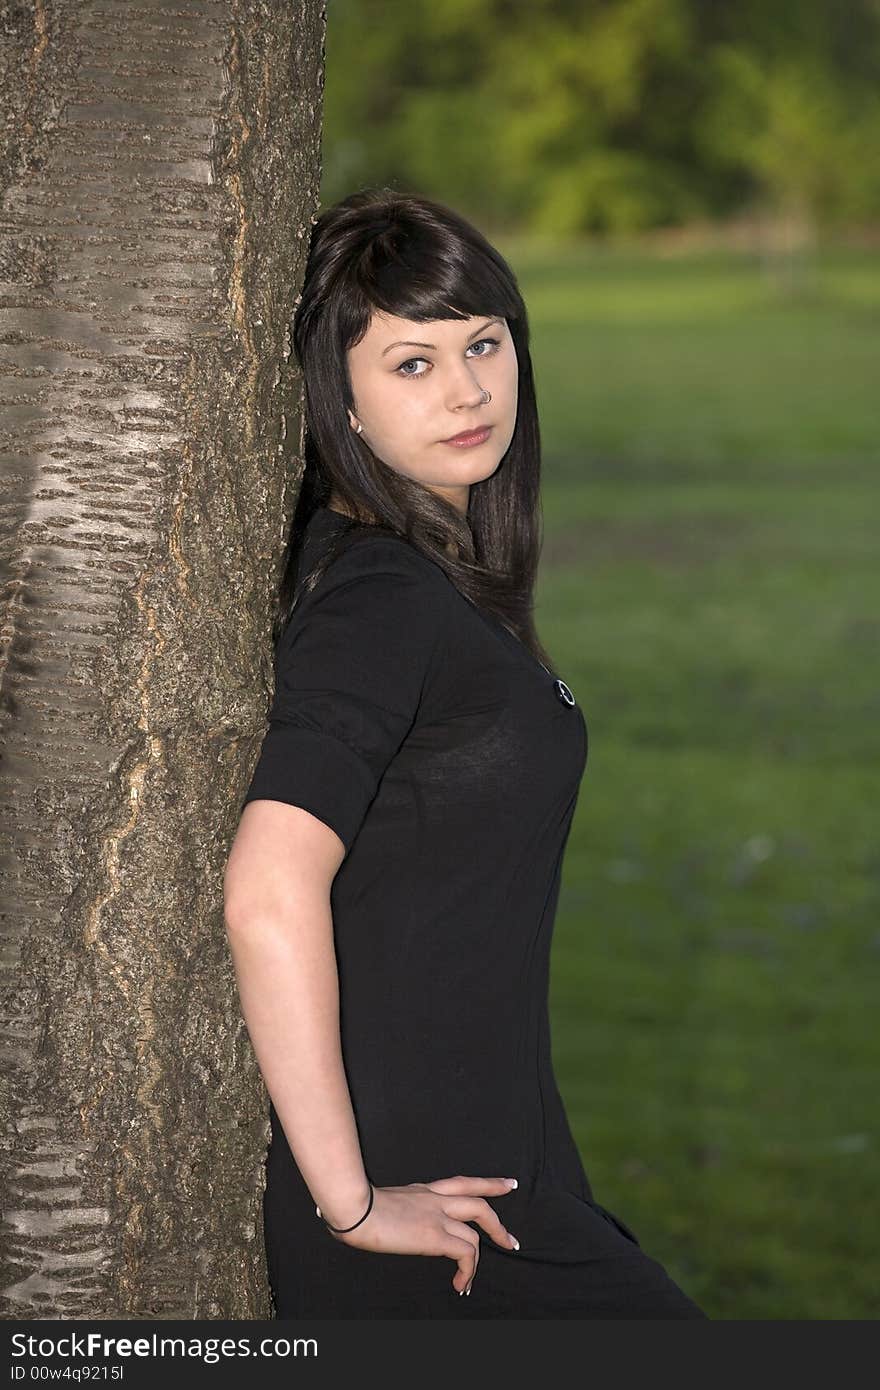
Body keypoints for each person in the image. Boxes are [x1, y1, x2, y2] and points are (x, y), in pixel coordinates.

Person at [223, 187, 707, 1319]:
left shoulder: (423, 573)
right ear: (332, 394)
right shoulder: (381, 598)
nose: (468, 390)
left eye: (483, 343)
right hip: (430, 1211)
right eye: (411, 363)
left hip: (493, 1174)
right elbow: (266, 885)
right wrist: (349, 1202)